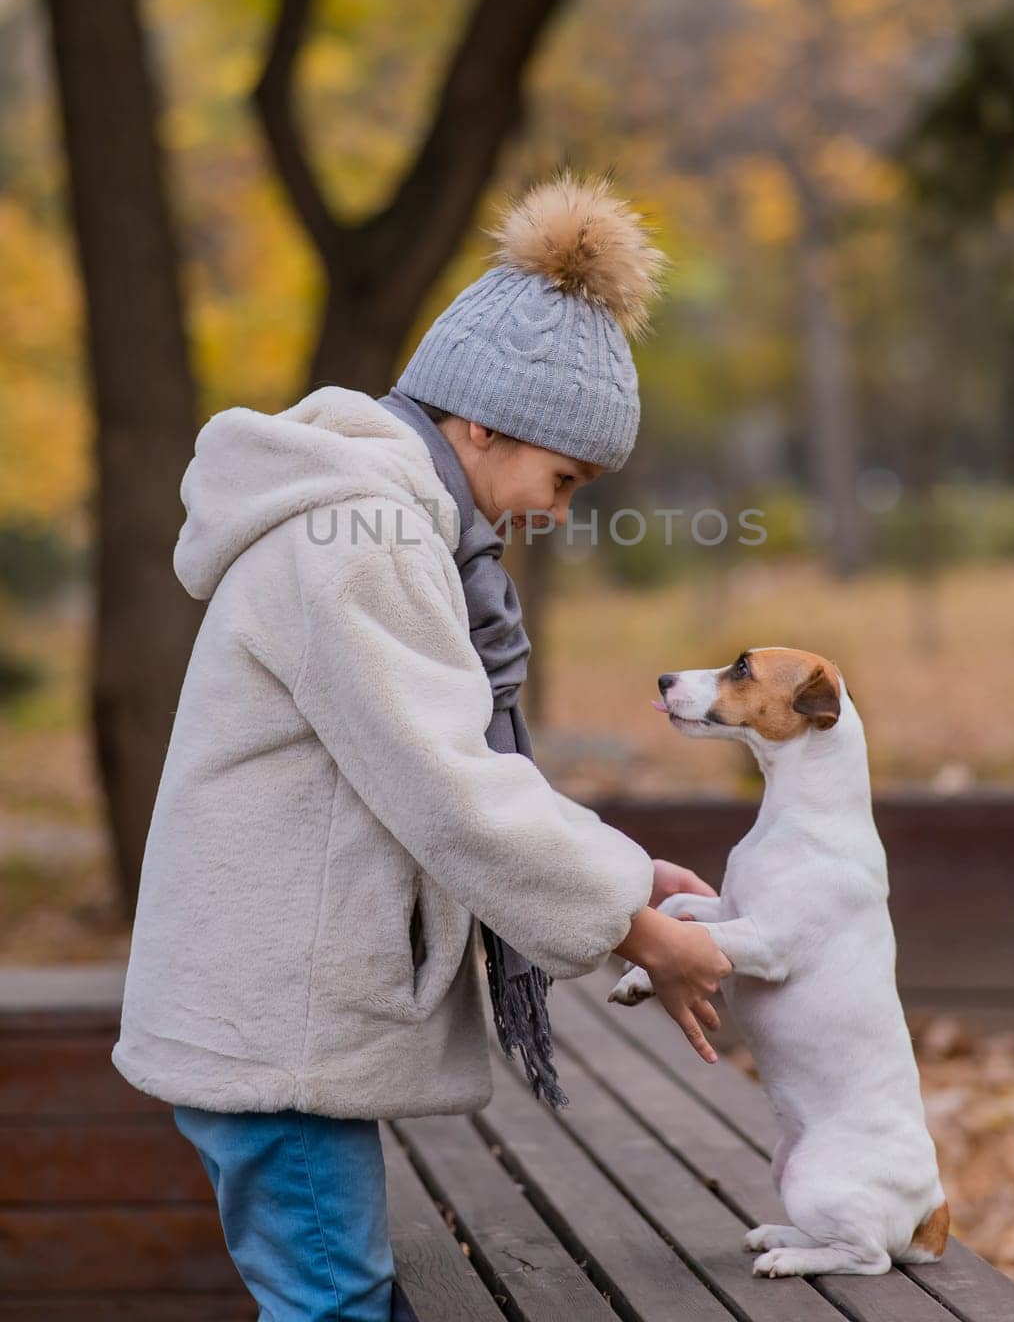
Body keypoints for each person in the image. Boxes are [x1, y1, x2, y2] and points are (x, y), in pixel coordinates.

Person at [111, 171, 732, 1321]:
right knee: (335, 1308)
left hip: (277, 1016)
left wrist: (625, 871)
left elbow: (449, 761)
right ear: (480, 425)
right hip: (280, 1038)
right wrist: (633, 923)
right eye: (563, 478)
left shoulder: (385, 522)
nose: (556, 510)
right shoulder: (368, 539)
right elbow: (449, 789)